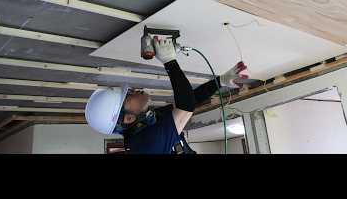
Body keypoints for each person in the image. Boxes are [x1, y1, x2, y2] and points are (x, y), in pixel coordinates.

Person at [85, 36, 249, 154]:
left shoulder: (148, 121)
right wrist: (169, 61)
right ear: (128, 118)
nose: (134, 90)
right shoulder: (146, 144)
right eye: (128, 96)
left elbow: (188, 101)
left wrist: (220, 81)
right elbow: (186, 106)